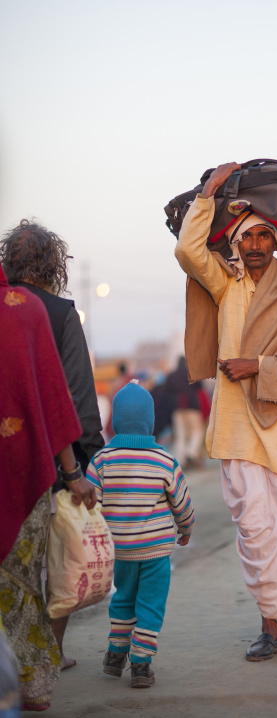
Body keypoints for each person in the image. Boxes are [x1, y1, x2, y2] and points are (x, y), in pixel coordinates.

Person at [174, 162, 277, 661]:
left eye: (264, 235)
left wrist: (260, 367)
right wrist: (209, 192)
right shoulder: (226, 286)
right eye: (246, 238)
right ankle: (271, 626)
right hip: (239, 433)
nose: (255, 246)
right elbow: (186, 250)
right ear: (236, 244)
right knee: (258, 534)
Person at [0, 219, 104, 670]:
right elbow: (77, 392)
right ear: (53, 265)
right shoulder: (59, 313)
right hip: (56, 459)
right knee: (56, 562)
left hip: (12, 456)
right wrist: (85, 459)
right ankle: (49, 653)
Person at [86, 380, 195, 688]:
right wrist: (186, 528)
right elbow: (182, 502)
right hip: (157, 552)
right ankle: (141, 664)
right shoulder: (164, 460)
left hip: (118, 552)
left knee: (122, 599)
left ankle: (116, 653)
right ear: (149, 421)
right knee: (150, 605)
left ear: (117, 421)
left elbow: (91, 506)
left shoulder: (102, 460)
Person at [164, 357, 206, 469]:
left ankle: (180, 461)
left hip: (177, 408)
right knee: (197, 431)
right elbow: (200, 387)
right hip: (192, 407)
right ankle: (191, 452)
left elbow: (166, 392)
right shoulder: (191, 373)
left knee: (180, 435)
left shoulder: (171, 376)